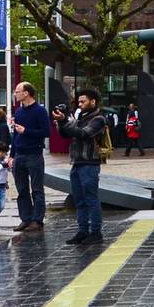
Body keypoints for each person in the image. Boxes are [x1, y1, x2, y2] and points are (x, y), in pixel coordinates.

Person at [61, 88, 109, 245]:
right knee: (79, 200)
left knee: (91, 199)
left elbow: (83, 134)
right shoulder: (79, 116)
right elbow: (65, 134)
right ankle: (82, 231)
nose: (80, 104)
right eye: (78, 102)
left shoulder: (99, 119)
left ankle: (96, 232)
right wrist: (62, 121)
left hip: (90, 163)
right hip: (77, 162)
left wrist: (65, 123)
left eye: (83, 101)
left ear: (93, 101)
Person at [9, 82, 50, 234]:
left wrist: (26, 131)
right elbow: (15, 136)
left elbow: (46, 132)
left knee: (37, 189)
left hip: (34, 154)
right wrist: (12, 155)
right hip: (19, 154)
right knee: (22, 189)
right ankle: (26, 218)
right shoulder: (19, 111)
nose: (15, 94)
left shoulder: (40, 111)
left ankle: (37, 220)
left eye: (17, 91)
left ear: (26, 93)